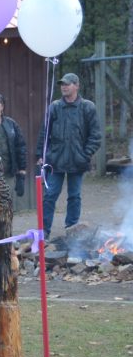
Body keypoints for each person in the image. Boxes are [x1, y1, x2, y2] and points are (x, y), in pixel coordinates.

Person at [35, 73, 102, 238]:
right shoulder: (54, 107)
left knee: (74, 196)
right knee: (49, 196)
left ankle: (71, 230)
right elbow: (45, 133)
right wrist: (41, 154)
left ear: (77, 86)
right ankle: (44, 232)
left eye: (68, 84)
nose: (64, 86)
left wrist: (85, 154)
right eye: (62, 84)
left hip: (77, 161)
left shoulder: (88, 107)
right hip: (55, 160)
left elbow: (96, 136)